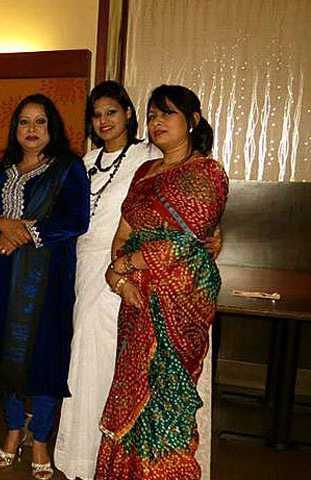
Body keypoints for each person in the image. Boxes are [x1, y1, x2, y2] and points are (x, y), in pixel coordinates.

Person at [95, 85, 228, 480]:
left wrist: (123, 265)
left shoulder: (207, 172)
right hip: (136, 298)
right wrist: (118, 278)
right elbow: (123, 232)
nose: (156, 122)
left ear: (193, 121)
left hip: (179, 299)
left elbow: (185, 243)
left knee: (165, 400)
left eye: (167, 113)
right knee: (132, 393)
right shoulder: (144, 171)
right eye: (152, 115)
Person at [53, 81, 161, 480]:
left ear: (128, 113)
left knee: (109, 352)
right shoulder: (85, 161)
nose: (104, 121)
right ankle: (83, 453)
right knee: (84, 349)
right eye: (97, 115)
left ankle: (113, 453)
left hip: (124, 265)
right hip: (83, 261)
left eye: (111, 112)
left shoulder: (149, 157)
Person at [0, 94, 90, 480]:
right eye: (24, 122)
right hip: (5, 274)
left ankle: (41, 436)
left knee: (46, 354)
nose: (31, 129)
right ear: (15, 129)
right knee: (6, 353)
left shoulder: (67, 167)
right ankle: (14, 429)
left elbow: (76, 219)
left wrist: (22, 233)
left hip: (48, 276)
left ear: (51, 127)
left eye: (40, 121)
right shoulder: (4, 169)